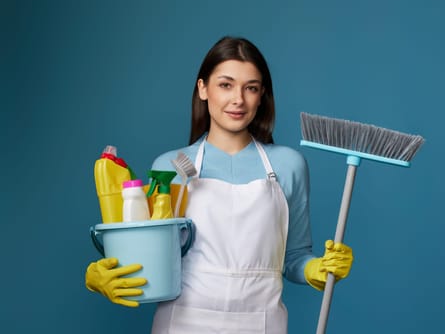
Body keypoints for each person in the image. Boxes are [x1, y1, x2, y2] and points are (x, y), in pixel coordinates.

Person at [86, 36, 353, 333]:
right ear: (203, 89)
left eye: (250, 88)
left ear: (261, 95)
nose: (238, 99)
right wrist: (101, 274)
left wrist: (317, 268)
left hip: (262, 324)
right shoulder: (168, 168)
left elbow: (293, 257)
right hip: (183, 324)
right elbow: (148, 256)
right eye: (225, 85)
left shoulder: (288, 165)